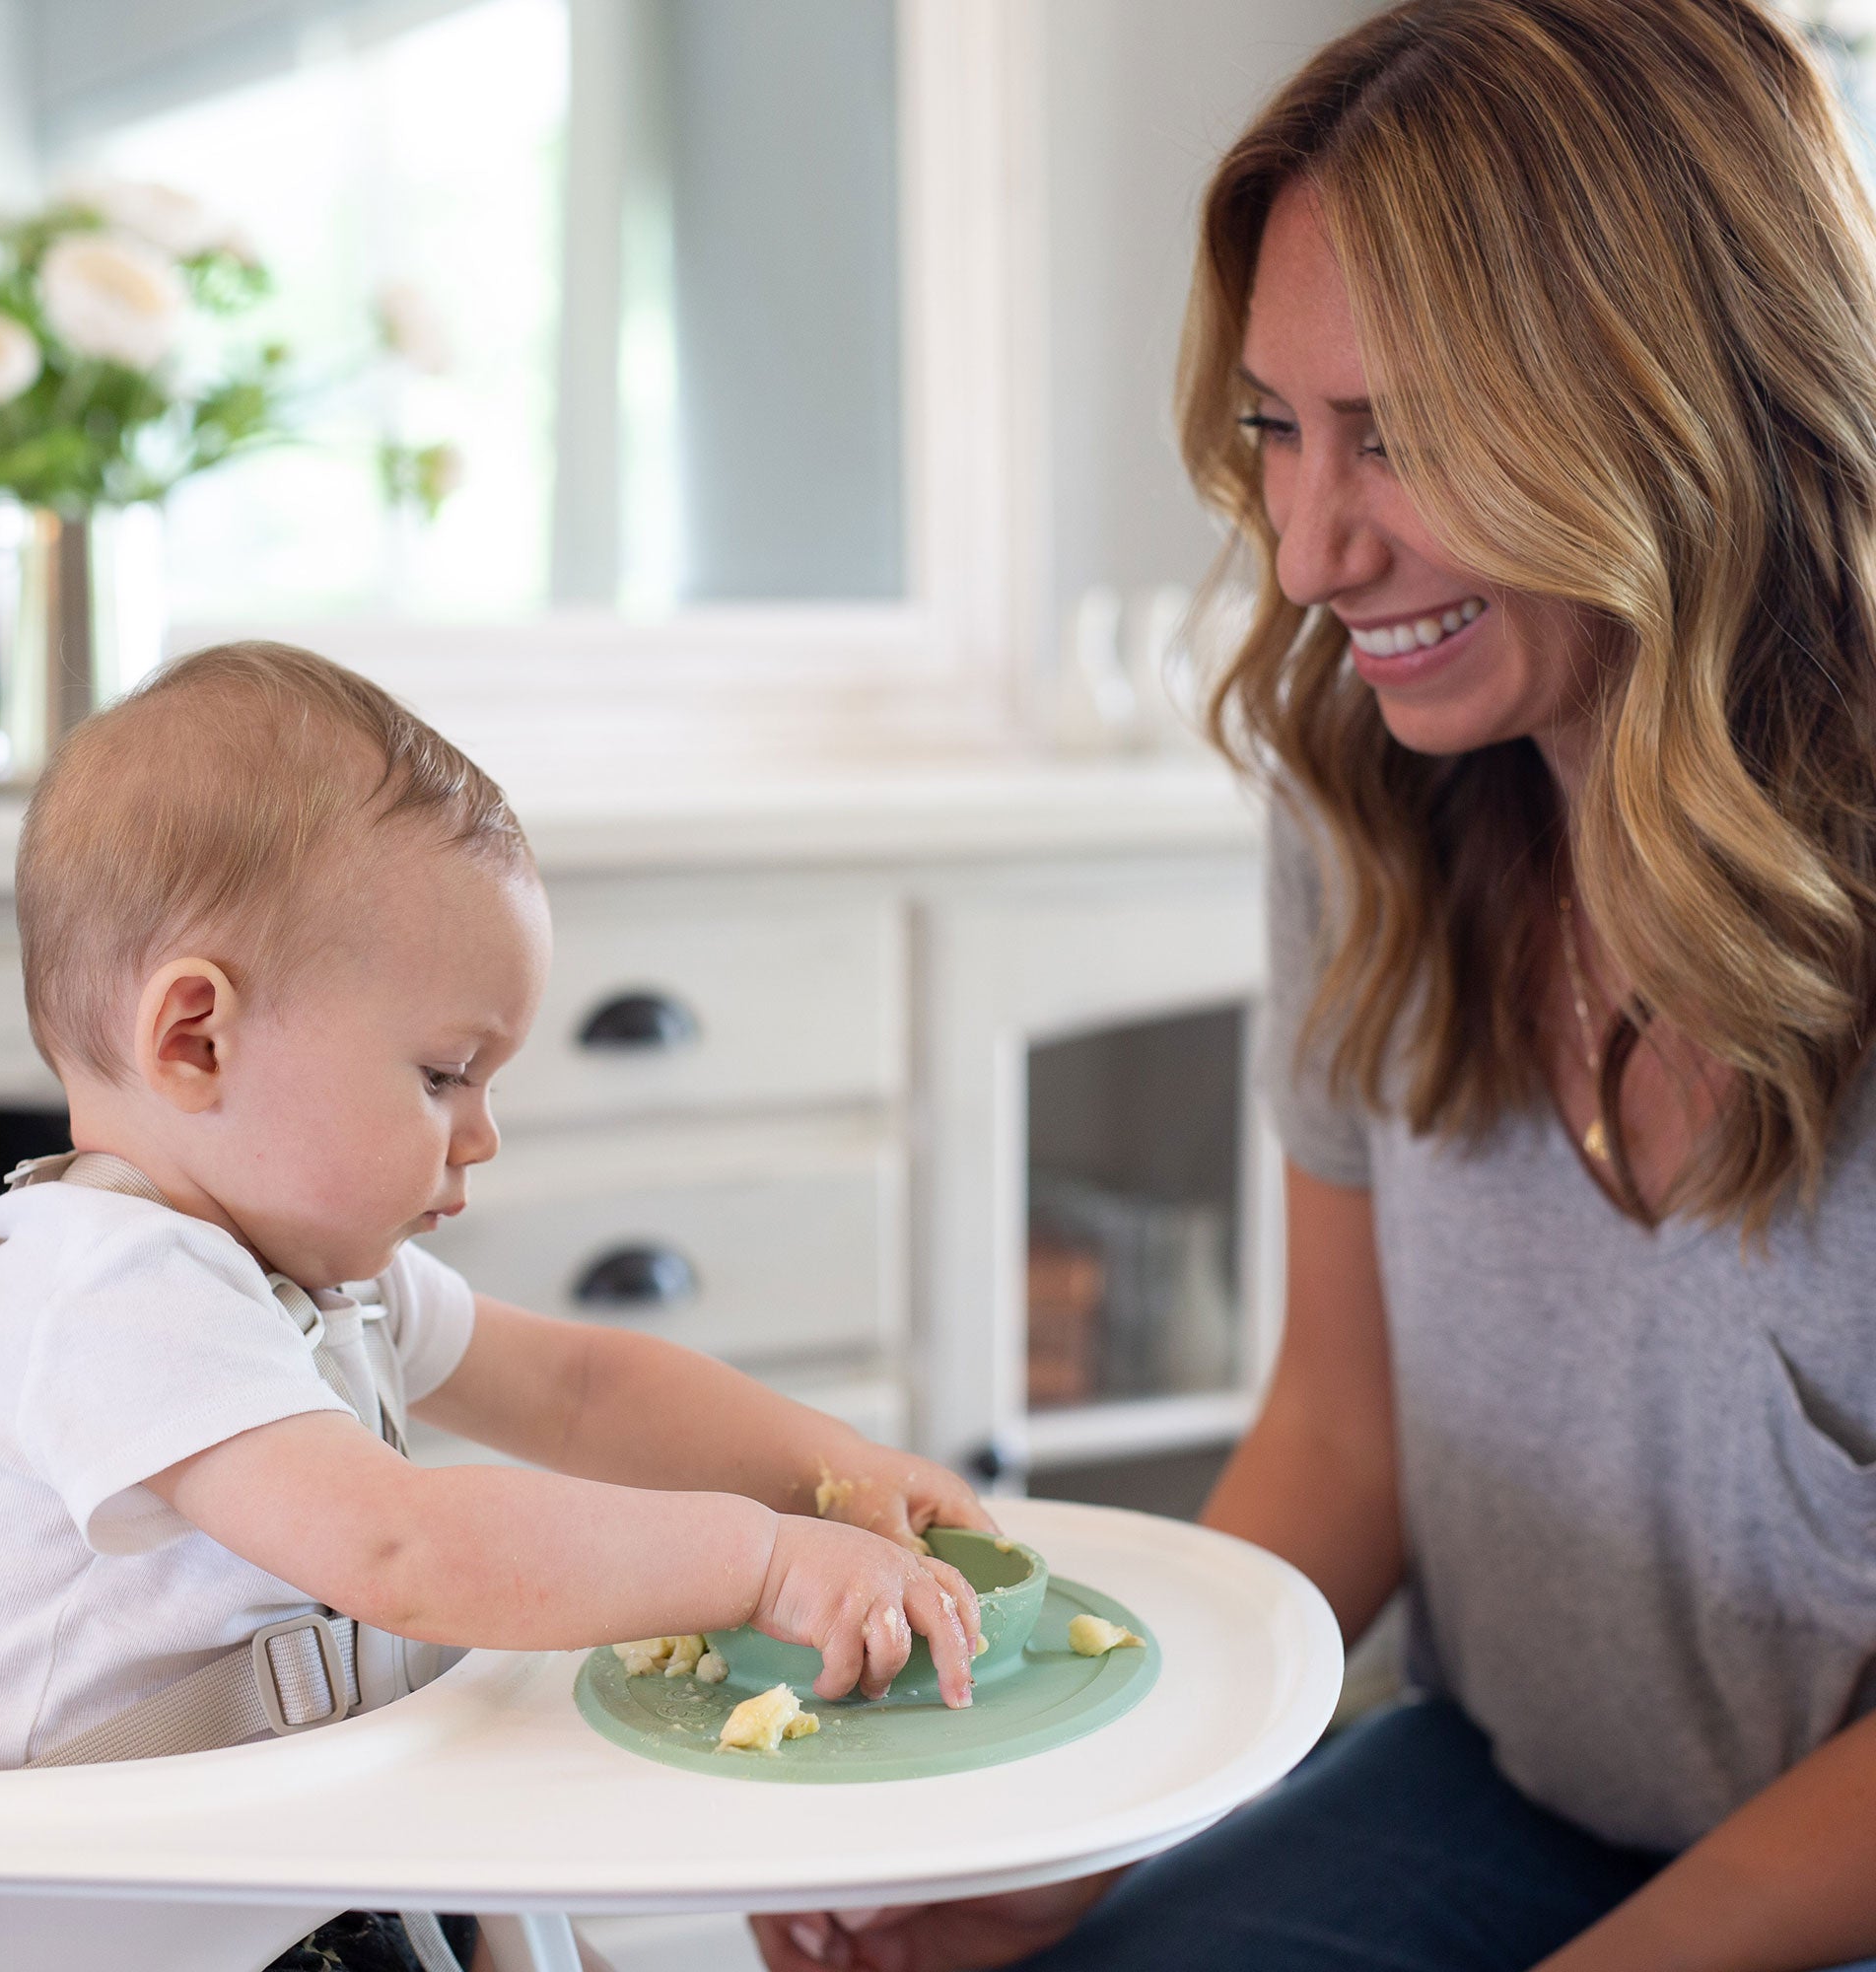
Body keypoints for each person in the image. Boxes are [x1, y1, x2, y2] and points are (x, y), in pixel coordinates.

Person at [756, 0, 1876, 1966]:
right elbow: (1345, 1439)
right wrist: (1075, 1825)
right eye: (1280, 427)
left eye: (1403, 434)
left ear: (1673, 399)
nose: (1303, 549)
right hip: (1497, 1783)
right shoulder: (1368, 802)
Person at [0, 643, 989, 1972]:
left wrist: (830, 1473)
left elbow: (580, 1389)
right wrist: (757, 1563)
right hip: (86, 1928)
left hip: (289, 1879)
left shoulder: (307, 1280)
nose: (480, 1135)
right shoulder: (103, 1292)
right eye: (442, 1074)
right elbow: (400, 1554)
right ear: (197, 1039)